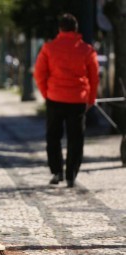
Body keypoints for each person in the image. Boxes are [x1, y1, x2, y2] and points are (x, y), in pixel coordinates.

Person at [33, 13, 99, 187]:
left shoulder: (49, 48)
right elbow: (94, 77)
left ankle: (56, 171)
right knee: (76, 137)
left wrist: (46, 93)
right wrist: (91, 98)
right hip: (77, 100)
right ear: (76, 29)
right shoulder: (87, 50)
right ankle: (71, 174)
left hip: (55, 97)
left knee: (53, 136)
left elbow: (39, 73)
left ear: (60, 29)